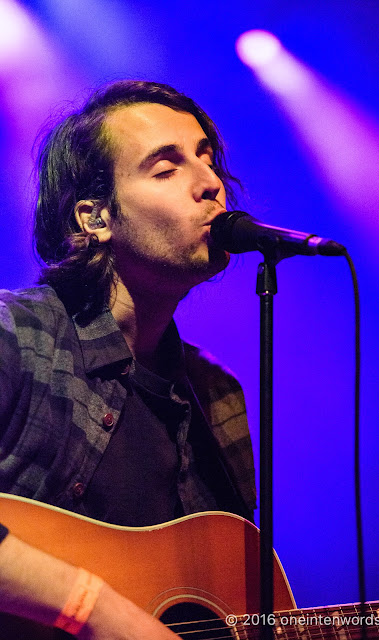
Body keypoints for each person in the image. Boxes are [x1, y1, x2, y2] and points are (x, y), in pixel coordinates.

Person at [0, 80, 256, 638]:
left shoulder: (217, 395)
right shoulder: (14, 336)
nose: (211, 184)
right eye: (166, 169)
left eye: (206, 159)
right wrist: (95, 609)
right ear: (95, 218)